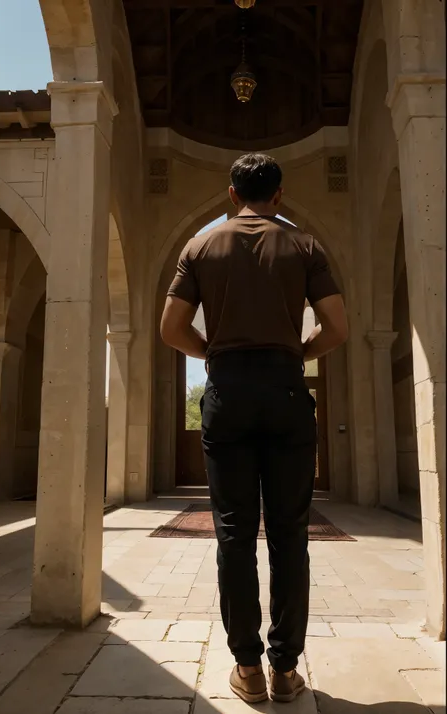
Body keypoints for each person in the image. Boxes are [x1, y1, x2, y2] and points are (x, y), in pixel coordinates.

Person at [160, 153, 348, 704]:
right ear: (280, 195)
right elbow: (337, 325)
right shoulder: (304, 245)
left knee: (234, 536)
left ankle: (247, 668)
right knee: (291, 535)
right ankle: (286, 670)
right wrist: (299, 353)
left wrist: (212, 354)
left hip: (228, 392)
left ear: (230, 194)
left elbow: (171, 328)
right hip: (287, 389)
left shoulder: (199, 246)